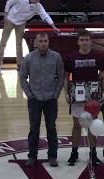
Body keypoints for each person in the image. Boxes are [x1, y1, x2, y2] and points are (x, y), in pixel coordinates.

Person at [19, 32, 64, 167]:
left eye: (45, 41)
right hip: (35, 100)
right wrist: (30, 95)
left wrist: (56, 94)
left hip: (51, 99)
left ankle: (52, 157)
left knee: (51, 128)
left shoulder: (56, 57)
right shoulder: (28, 58)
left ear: (48, 42)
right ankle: (32, 156)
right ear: (36, 43)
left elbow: (61, 77)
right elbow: (22, 77)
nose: (43, 43)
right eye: (41, 41)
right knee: (34, 129)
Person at [63, 30, 104, 166]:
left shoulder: (97, 55)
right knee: (77, 126)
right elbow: (66, 75)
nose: (84, 42)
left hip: (92, 97)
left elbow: (103, 72)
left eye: (86, 40)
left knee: (92, 125)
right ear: (78, 42)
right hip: (77, 96)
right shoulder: (71, 57)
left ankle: (93, 154)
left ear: (91, 41)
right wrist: (65, 92)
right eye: (81, 40)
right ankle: (74, 153)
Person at [0, 0, 60, 72]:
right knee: (3, 41)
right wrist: (5, 16)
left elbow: (45, 15)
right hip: (10, 20)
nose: (38, 1)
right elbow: (9, 2)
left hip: (21, 23)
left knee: (19, 44)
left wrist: (53, 27)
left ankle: (20, 64)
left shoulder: (38, 6)